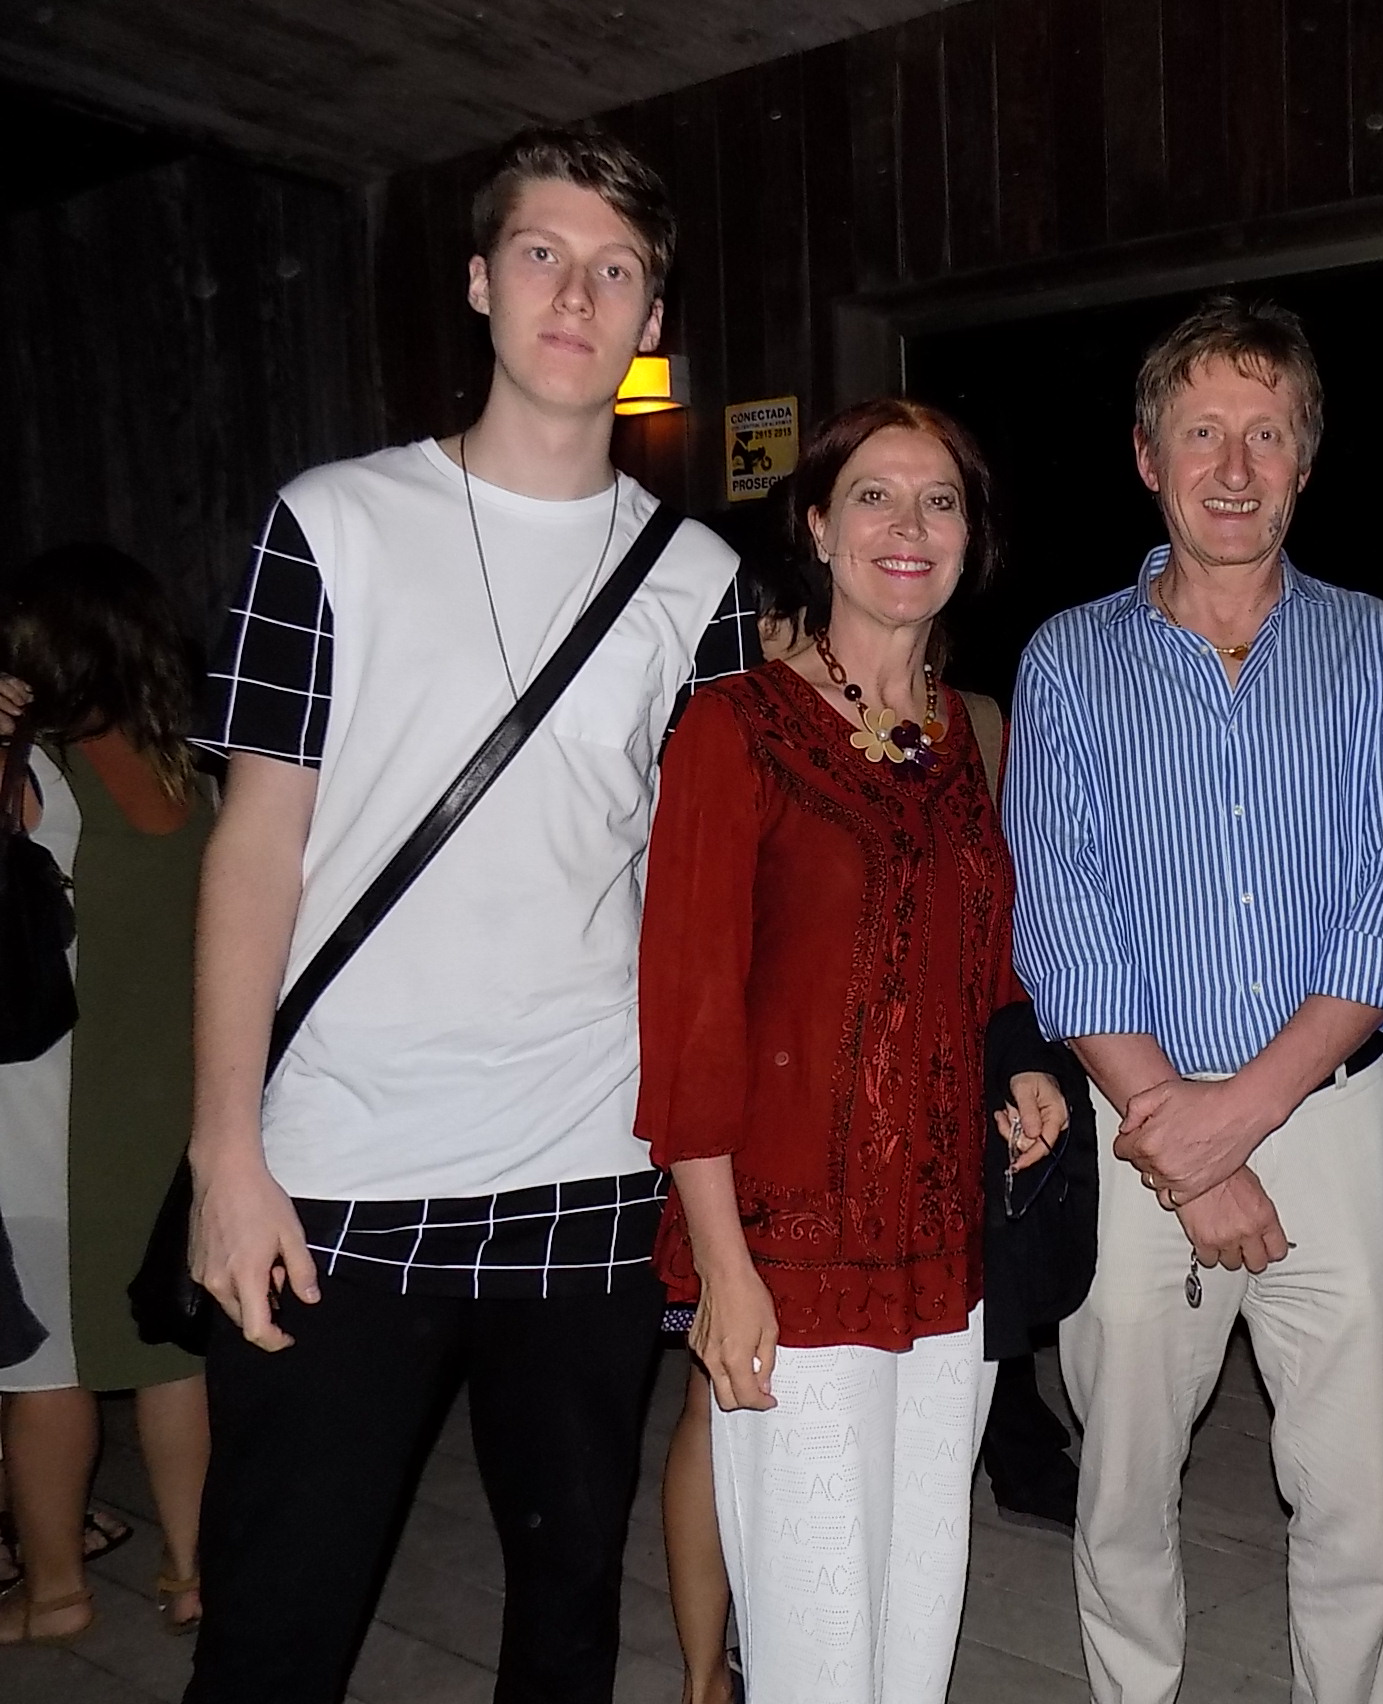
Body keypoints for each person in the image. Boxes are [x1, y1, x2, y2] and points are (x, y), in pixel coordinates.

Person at [182, 127, 748, 1704]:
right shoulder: (334, 523)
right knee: (274, 1631)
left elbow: (703, 896)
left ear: (651, 321)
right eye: (545, 255)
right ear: (485, 281)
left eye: (617, 270)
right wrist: (225, 1149)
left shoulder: (700, 577)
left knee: (567, 1620)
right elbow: (254, 845)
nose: (578, 293)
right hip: (338, 1175)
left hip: (586, 1172)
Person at [1003, 296, 1383, 1704]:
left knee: (1354, 1502)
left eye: (1267, 434)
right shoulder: (1068, 659)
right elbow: (1062, 921)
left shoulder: (1380, 647)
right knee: (1124, 1489)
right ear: (1149, 457)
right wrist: (1181, 1140)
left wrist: (1229, 1125)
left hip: (1337, 1124)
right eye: (1203, 434)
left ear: (1307, 460)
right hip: (1133, 1123)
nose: (1235, 469)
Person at [637, 396, 1071, 1704]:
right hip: (792, 1251)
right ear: (819, 528)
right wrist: (724, 1267)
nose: (909, 526)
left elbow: (982, 957)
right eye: (875, 496)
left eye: (940, 501)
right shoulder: (735, 728)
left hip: (943, 1248)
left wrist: (1022, 1062)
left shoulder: (960, 737)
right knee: (818, 1631)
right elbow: (687, 1018)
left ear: (969, 539)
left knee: (916, 1611)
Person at [0, 547, 214, 1647]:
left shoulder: (37, 777)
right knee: (170, 1350)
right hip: (177, 1103)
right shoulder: (193, 774)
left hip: (51, 1113)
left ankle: (54, 1592)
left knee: (43, 1364)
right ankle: (191, 1572)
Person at [651, 501, 816, 1704]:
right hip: (721, 1128)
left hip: (802, 1121)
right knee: (720, 1401)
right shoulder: (718, 734)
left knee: (738, 1408)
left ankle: (751, 1653)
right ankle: (708, 1672)